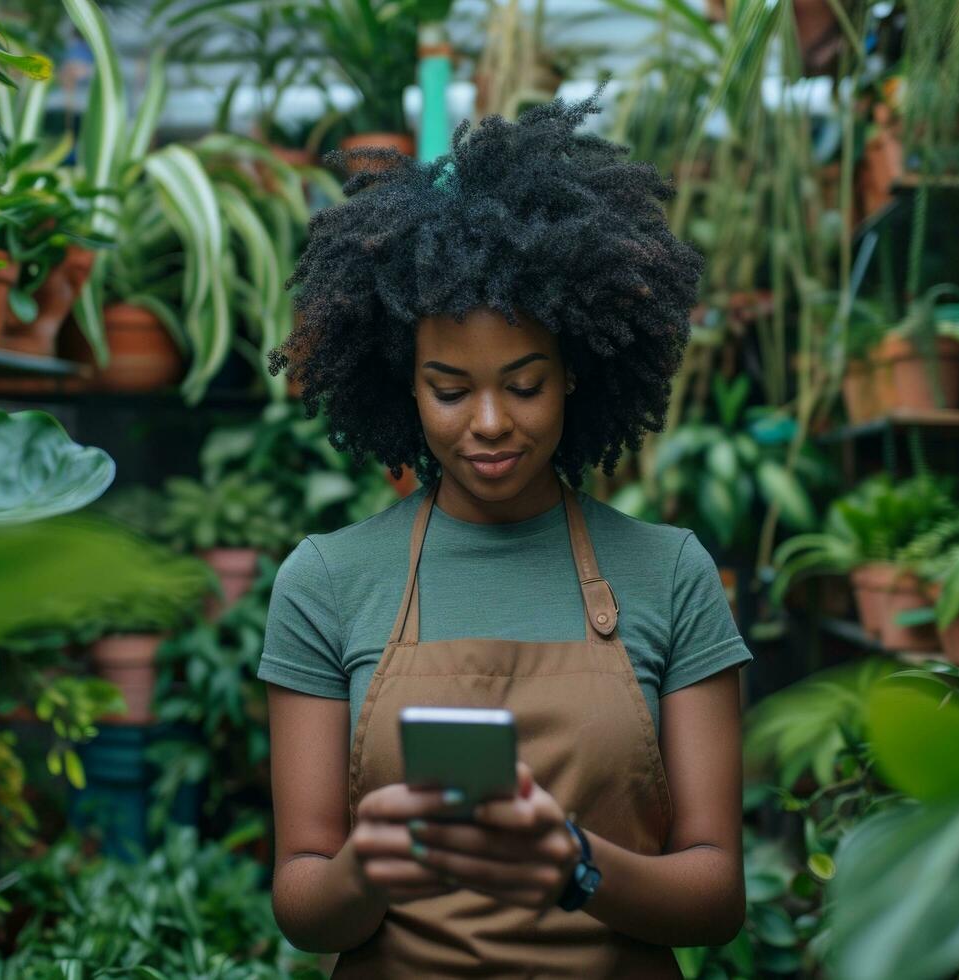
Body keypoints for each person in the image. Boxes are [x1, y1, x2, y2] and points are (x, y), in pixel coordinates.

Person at [258, 85, 750, 978]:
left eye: (524, 385)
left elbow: (716, 897)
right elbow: (302, 904)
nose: (488, 422)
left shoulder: (670, 575)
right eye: (450, 388)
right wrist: (363, 871)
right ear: (404, 386)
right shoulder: (327, 582)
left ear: (577, 375)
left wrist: (578, 867)